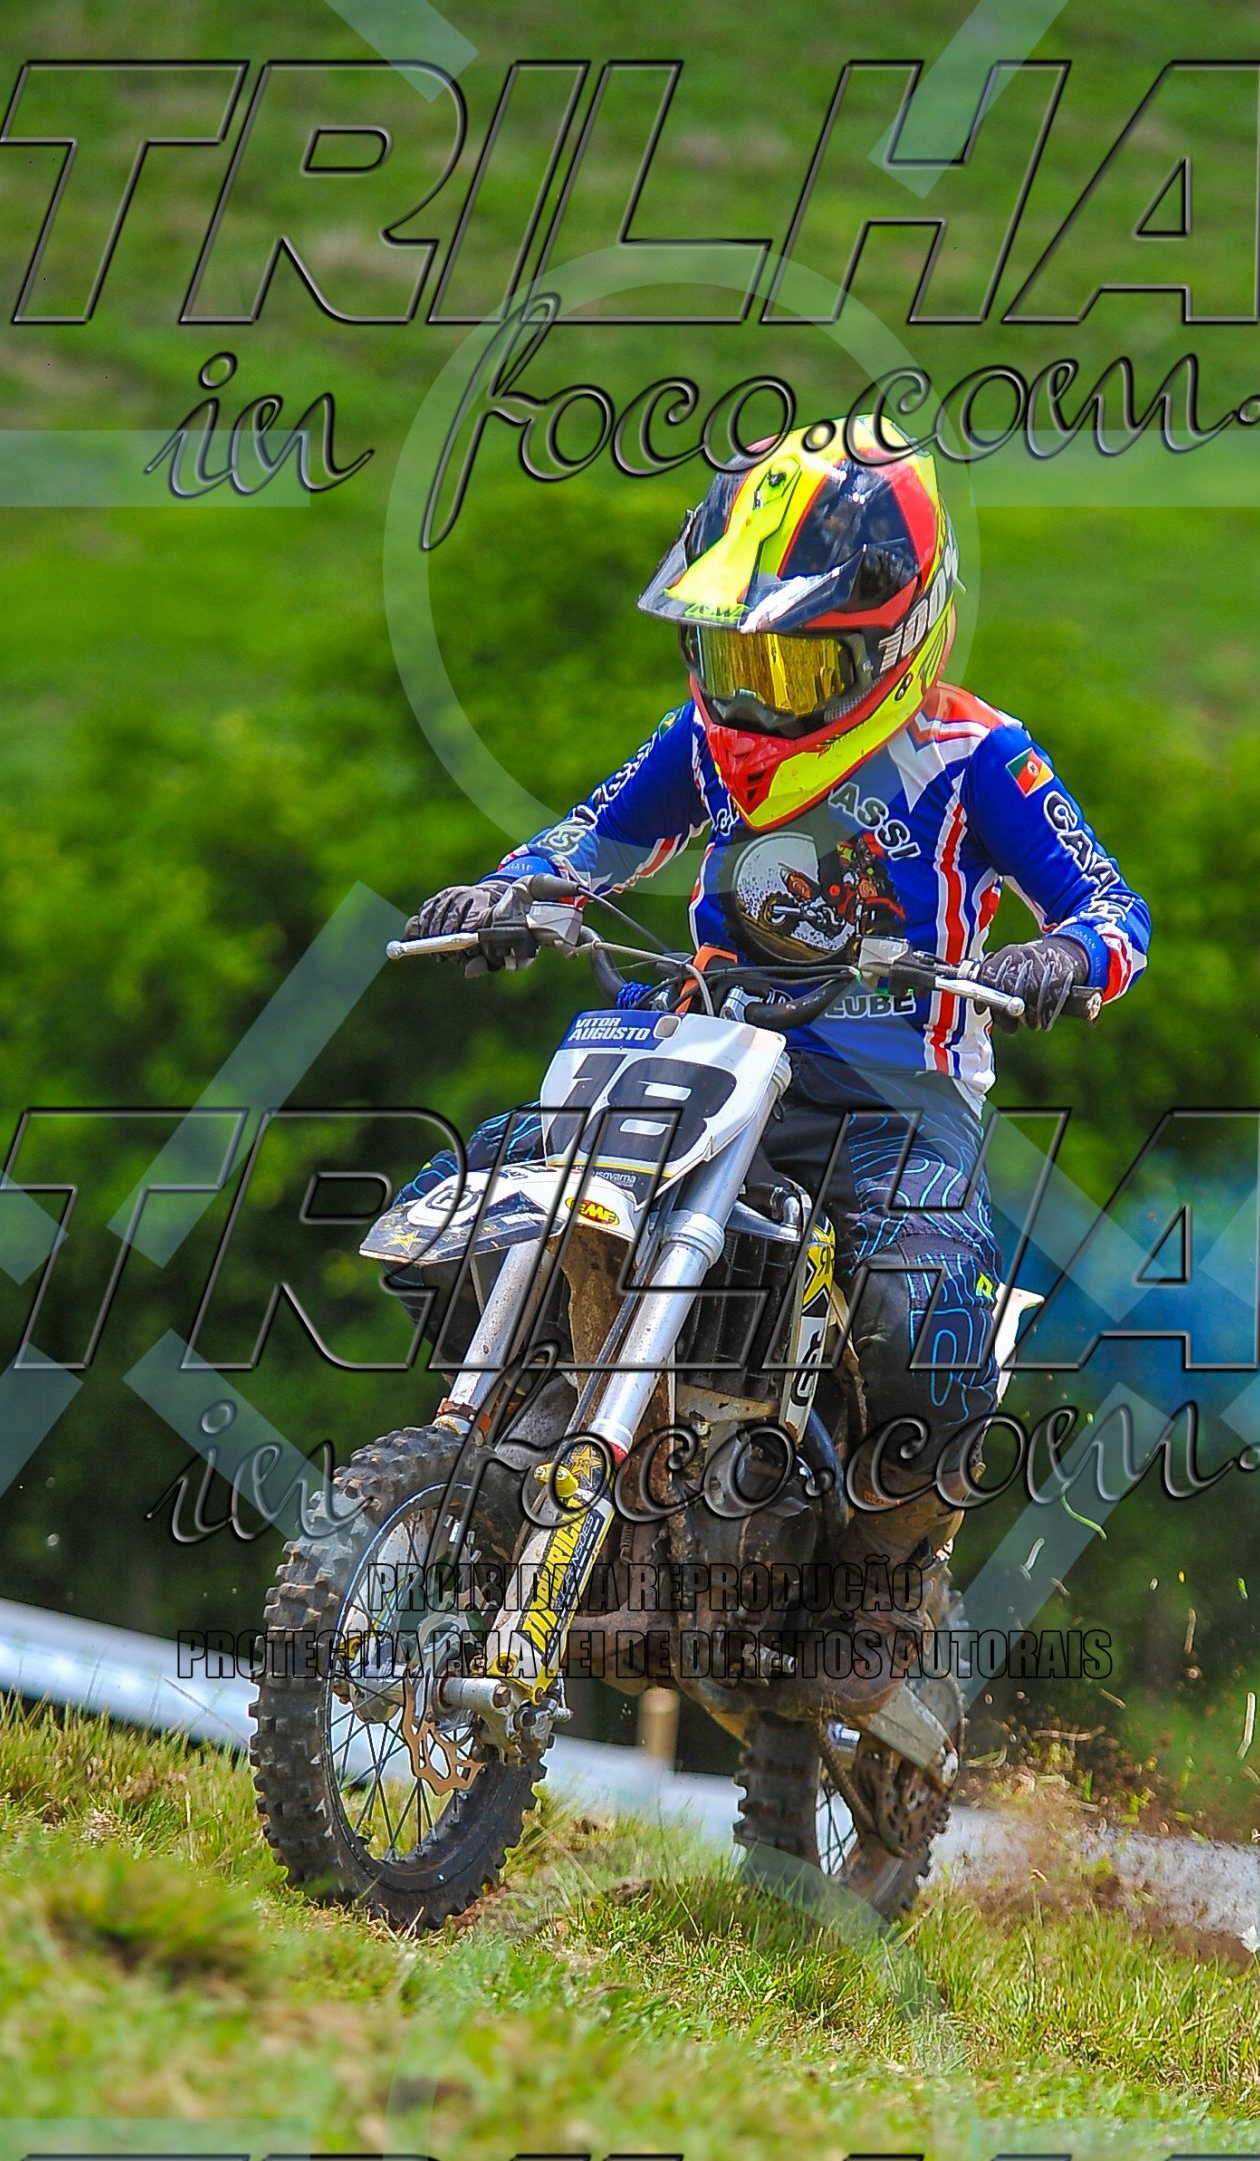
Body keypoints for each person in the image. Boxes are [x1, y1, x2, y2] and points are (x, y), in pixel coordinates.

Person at [399, 419, 1150, 1712]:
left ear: (898, 642)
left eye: (794, 664)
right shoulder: (699, 740)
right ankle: (523, 1451)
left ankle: (881, 1575)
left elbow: (1113, 912)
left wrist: (1058, 961)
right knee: (458, 1209)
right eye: (732, 654)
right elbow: (590, 840)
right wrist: (513, 893)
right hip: (699, 1049)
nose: (756, 694)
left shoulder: (978, 759)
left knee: (920, 1331)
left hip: (888, 1099)